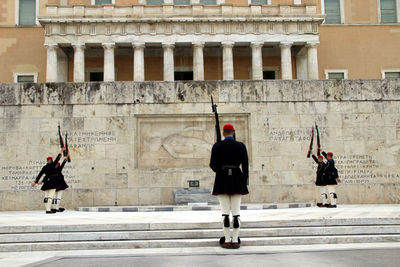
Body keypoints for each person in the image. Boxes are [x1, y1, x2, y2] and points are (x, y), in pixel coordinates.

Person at [210, 124, 249, 249]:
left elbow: (212, 165)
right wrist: (244, 180)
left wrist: (221, 171)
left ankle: (227, 240)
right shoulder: (241, 146)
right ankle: (236, 240)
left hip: (222, 179)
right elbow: (245, 165)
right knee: (236, 213)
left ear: (223, 133)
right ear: (233, 132)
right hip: (237, 178)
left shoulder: (217, 146)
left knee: (225, 213)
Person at [31, 148, 64, 214]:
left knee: (46, 196)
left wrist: (35, 182)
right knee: (50, 197)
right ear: (51, 160)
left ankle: (47, 208)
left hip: (46, 183)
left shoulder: (44, 167)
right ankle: (48, 209)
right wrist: (61, 152)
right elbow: (57, 159)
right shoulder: (52, 165)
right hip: (52, 182)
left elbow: (40, 174)